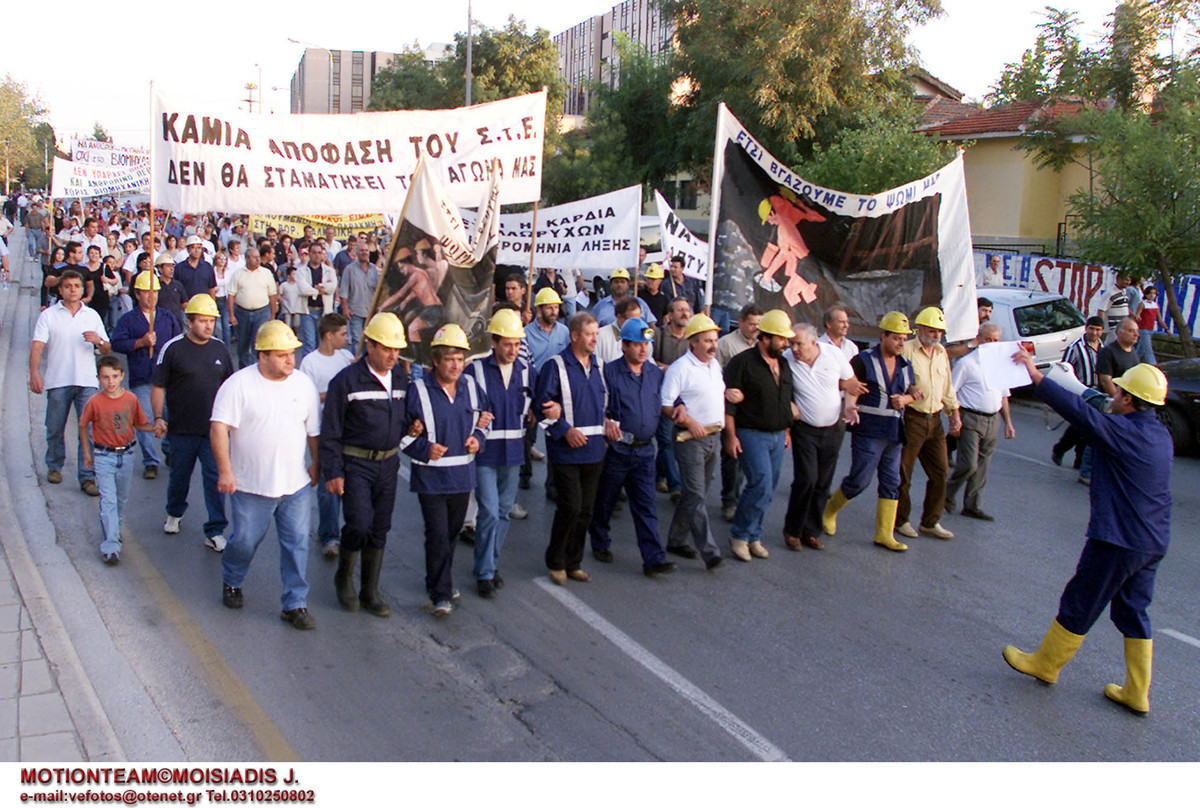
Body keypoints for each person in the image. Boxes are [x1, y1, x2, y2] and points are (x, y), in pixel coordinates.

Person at [1002, 356, 1171, 716]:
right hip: (1152, 541)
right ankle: (1137, 692)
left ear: (1128, 399)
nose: (1115, 392)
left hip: (1118, 539)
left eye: (1120, 389)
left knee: (1082, 599)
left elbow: (1083, 415)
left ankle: (1046, 664)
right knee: (1134, 610)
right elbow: (1096, 410)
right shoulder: (1159, 434)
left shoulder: (1123, 431)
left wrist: (1036, 377)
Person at [213, 320, 321, 630]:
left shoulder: (303, 385)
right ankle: (232, 579)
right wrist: (225, 470)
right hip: (250, 487)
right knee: (245, 541)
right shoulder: (238, 385)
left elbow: (313, 431)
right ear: (262, 356)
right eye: (283, 355)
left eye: (292, 354)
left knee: (297, 543)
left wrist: (316, 463)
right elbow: (219, 427)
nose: (291, 360)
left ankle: (295, 603)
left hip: (295, 486)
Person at [321, 313, 412, 617]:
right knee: (358, 523)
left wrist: (414, 426)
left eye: (397, 350)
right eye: (387, 349)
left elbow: (407, 415)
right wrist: (332, 472)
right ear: (369, 346)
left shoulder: (400, 378)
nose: (393, 355)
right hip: (356, 463)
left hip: (388, 464)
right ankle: (343, 577)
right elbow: (331, 431)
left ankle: (369, 590)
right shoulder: (345, 382)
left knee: (380, 528)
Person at [401, 324, 490, 616]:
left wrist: (478, 438)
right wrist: (423, 448)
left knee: (450, 534)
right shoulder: (417, 391)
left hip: (462, 477)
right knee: (438, 534)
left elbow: (486, 421)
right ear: (436, 360)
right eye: (449, 359)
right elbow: (400, 437)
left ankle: (438, 578)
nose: (455, 365)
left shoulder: (471, 388)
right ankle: (441, 594)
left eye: (460, 358)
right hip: (431, 479)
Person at [821, 312, 919, 552]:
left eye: (904, 339)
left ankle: (884, 533)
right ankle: (830, 509)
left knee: (892, 482)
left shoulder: (906, 366)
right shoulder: (863, 360)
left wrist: (905, 398)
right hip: (869, 431)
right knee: (860, 479)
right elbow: (850, 384)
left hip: (894, 432)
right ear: (883, 336)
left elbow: (913, 391)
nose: (900, 343)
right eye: (896, 338)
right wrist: (851, 405)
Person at [588, 318, 677, 577]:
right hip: (617, 450)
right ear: (624, 345)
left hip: (644, 452)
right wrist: (604, 422)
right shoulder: (608, 372)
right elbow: (597, 404)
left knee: (646, 505)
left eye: (646, 345)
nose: (643, 350)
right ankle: (600, 539)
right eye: (637, 345)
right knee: (606, 500)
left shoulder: (653, 374)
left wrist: (679, 406)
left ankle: (653, 558)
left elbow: (668, 399)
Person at [152, 294, 233, 551]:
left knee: (215, 479)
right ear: (189, 322)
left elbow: (230, 387)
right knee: (179, 476)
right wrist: (158, 417)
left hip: (213, 432)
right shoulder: (173, 349)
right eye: (202, 321)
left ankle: (215, 529)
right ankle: (174, 512)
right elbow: (158, 386)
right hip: (181, 430)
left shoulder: (220, 348)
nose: (208, 326)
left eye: (211, 321)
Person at [535, 312, 608, 585]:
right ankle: (555, 560)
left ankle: (573, 561)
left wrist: (609, 427)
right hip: (566, 451)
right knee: (570, 506)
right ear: (575, 335)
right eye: (589, 334)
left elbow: (605, 404)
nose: (594, 339)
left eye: (596, 334)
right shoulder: (556, 367)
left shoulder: (599, 366)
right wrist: (565, 430)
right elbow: (541, 407)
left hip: (594, 450)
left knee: (586, 509)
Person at [29, 269, 112, 495]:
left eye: (77, 286)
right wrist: (34, 372)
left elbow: (107, 348)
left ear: (82, 289)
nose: (73, 290)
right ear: (61, 289)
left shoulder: (92, 316)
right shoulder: (49, 315)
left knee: (89, 430)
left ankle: (87, 476)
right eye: (68, 286)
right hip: (58, 380)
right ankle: (54, 465)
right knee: (55, 427)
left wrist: (98, 341)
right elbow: (38, 345)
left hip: (86, 381)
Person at [782, 322, 863, 551]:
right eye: (792, 343)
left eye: (799, 343)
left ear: (814, 343)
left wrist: (850, 406)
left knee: (823, 482)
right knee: (806, 478)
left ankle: (812, 530)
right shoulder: (787, 359)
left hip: (832, 427)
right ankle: (792, 530)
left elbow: (851, 383)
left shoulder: (833, 355)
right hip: (805, 428)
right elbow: (781, 389)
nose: (794, 348)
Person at [722, 310, 795, 561]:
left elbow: (786, 399)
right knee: (760, 483)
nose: (786, 344)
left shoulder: (783, 364)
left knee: (770, 487)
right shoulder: (741, 363)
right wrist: (730, 437)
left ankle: (754, 535)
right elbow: (729, 405)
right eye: (782, 339)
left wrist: (787, 430)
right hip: (750, 433)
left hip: (777, 435)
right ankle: (740, 534)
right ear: (765, 338)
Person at [468, 310, 531, 597]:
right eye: (508, 343)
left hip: (513, 452)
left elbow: (537, 403)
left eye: (517, 344)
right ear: (494, 342)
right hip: (485, 452)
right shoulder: (476, 370)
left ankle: (489, 564)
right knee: (490, 512)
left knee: (504, 513)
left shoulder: (527, 370)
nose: (513, 350)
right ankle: (484, 572)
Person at [660, 313, 727, 570]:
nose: (713, 345)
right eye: (707, 341)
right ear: (693, 343)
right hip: (690, 440)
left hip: (714, 437)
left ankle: (676, 539)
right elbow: (666, 404)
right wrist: (688, 421)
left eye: (714, 340)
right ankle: (710, 553)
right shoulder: (680, 369)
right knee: (697, 494)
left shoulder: (715, 365)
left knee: (694, 494)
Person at [79, 355, 154, 564]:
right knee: (108, 500)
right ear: (98, 379)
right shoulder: (95, 402)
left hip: (127, 454)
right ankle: (110, 545)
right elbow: (83, 424)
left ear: (122, 376)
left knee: (121, 498)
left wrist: (155, 427)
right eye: (105, 377)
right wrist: (87, 452)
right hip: (104, 455)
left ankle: (114, 527)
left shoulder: (130, 399)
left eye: (114, 376)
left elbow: (140, 424)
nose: (110, 382)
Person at [895, 306, 961, 541]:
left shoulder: (941, 352)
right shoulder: (908, 350)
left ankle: (931, 521)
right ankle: (901, 520)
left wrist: (954, 412)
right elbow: (897, 378)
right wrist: (909, 388)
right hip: (913, 418)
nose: (936, 336)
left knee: (941, 472)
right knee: (904, 472)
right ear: (920, 329)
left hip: (935, 419)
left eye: (939, 332)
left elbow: (947, 386)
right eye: (932, 331)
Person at [111, 270, 182, 479]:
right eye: (147, 292)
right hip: (142, 376)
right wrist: (139, 343)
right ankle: (151, 460)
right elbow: (117, 343)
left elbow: (177, 342)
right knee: (144, 420)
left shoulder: (167, 317)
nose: (152, 296)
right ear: (138, 294)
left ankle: (169, 450)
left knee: (171, 417)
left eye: (155, 292)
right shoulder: (128, 320)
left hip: (167, 377)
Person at [944, 323, 1015, 521]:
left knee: (983, 465)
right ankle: (946, 493)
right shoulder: (966, 364)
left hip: (992, 419)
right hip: (971, 417)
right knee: (968, 464)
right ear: (979, 339)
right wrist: (954, 418)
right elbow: (951, 393)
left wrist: (1008, 422)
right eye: (987, 339)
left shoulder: (1000, 366)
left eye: (995, 340)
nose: (992, 344)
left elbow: (1003, 396)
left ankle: (973, 504)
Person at [301, 313, 354, 558]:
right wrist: (334, 394)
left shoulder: (346, 358)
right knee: (327, 486)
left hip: (348, 428)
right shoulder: (310, 363)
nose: (347, 338)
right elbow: (307, 396)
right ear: (328, 336)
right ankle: (329, 534)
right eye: (342, 334)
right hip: (323, 429)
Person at [716, 304, 762, 521]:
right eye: (752, 324)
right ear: (741, 322)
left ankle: (743, 498)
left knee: (749, 457)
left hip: (754, 411)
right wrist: (726, 391)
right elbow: (713, 373)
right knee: (731, 456)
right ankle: (729, 500)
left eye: (759, 325)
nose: (756, 329)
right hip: (731, 408)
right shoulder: (726, 344)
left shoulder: (762, 345)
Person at [521, 288, 570, 491]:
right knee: (526, 433)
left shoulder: (564, 332)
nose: (554, 311)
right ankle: (524, 474)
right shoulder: (526, 333)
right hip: (534, 389)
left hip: (556, 392)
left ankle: (553, 483)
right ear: (539, 309)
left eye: (556, 307)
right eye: (549, 307)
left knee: (555, 435)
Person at [653, 297, 693, 499]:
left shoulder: (693, 339)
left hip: (687, 398)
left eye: (687, 310)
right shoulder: (659, 335)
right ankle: (676, 485)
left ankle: (660, 474)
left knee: (675, 440)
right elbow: (649, 361)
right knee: (667, 440)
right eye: (680, 310)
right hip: (665, 396)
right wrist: (667, 369)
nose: (685, 313)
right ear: (670, 315)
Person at [1053, 316, 1105, 468]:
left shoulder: (1103, 348)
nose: (1094, 333)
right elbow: (1064, 371)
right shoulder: (1075, 348)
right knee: (1082, 425)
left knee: (1086, 427)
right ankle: (1067, 452)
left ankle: (1071, 454)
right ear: (1086, 328)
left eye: (1098, 330)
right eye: (1092, 329)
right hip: (1081, 392)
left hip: (1097, 394)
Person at [228, 245, 279, 369]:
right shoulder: (237, 274)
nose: (258, 259)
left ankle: (259, 369)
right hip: (242, 313)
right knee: (243, 345)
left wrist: (273, 315)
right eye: (254, 257)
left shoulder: (266, 273)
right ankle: (244, 370)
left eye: (258, 257)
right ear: (246, 258)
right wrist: (231, 315)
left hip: (262, 312)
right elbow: (231, 295)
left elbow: (272, 295)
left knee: (258, 343)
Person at [339, 241, 379, 351]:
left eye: (366, 250)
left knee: (370, 340)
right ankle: (356, 363)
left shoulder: (375, 270)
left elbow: (379, 290)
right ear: (356, 252)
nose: (364, 253)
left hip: (371, 311)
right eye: (361, 250)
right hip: (355, 311)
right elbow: (344, 290)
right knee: (357, 340)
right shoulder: (349, 269)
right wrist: (345, 308)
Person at [591, 268, 655, 327]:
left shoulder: (640, 303)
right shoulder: (600, 306)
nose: (619, 285)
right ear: (611, 285)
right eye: (616, 282)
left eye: (622, 282)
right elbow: (591, 327)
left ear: (628, 285)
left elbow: (651, 325)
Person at [1097, 317, 1140, 398]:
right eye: (1131, 331)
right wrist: (1117, 400)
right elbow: (1106, 380)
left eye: (1137, 331)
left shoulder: (1133, 351)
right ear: (1119, 333)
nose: (1136, 334)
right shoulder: (1108, 352)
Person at [595, 297, 642, 364]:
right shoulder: (600, 336)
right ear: (619, 317)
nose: (637, 324)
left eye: (639, 320)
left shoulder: (642, 335)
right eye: (632, 320)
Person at [174, 235, 217, 300]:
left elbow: (211, 289)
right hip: (187, 306)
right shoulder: (179, 268)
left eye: (199, 248)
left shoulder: (207, 267)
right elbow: (177, 289)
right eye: (193, 247)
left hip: (204, 306)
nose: (196, 250)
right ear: (188, 249)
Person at [1134, 285, 1166, 365]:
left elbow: (1159, 318)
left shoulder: (1155, 305)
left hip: (1150, 329)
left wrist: (1166, 328)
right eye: (1150, 293)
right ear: (1146, 294)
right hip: (1143, 328)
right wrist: (1137, 318)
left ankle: (1133, 362)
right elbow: (1137, 315)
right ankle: (1153, 364)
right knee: (1148, 349)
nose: (1152, 295)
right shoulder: (1142, 304)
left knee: (1140, 349)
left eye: (1154, 294)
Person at [155, 252, 188, 329]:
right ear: (160, 268)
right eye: (168, 266)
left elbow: (184, 303)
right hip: (160, 323)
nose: (171, 269)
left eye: (172, 266)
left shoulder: (178, 285)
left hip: (177, 323)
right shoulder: (155, 285)